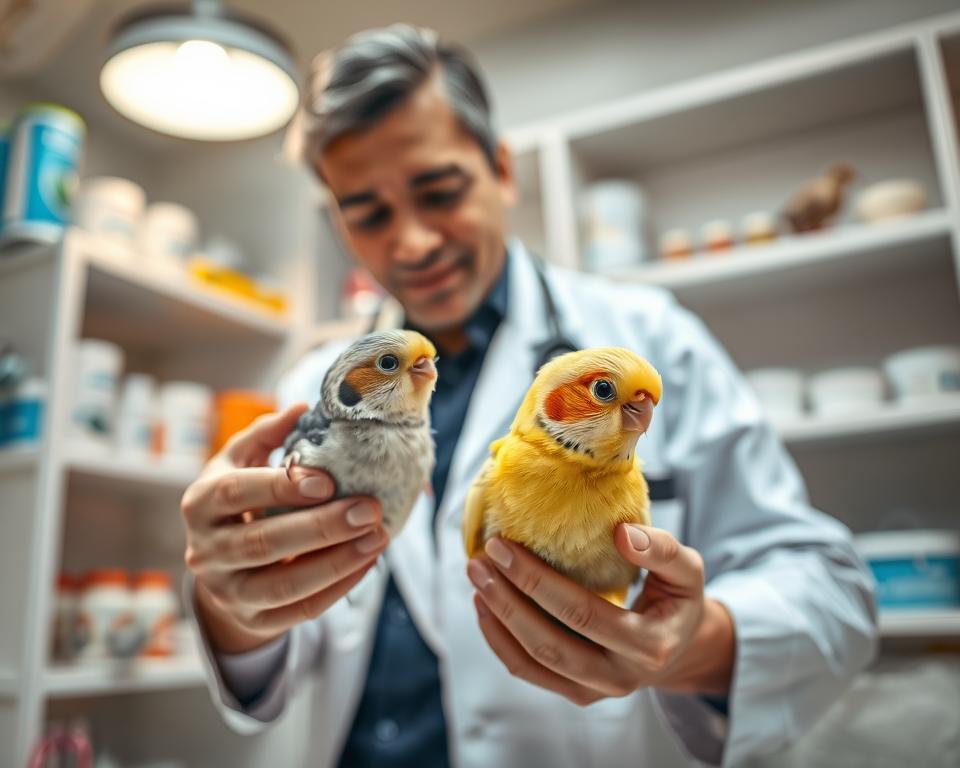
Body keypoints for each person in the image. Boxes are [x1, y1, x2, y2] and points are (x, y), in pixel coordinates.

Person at [181, 24, 877, 768]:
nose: (411, 243)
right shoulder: (311, 390)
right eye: (370, 213)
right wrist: (234, 602)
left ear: (502, 170)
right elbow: (279, 654)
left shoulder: (650, 340)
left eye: (438, 191)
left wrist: (687, 646)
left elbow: (833, 595)